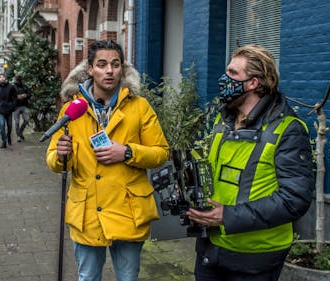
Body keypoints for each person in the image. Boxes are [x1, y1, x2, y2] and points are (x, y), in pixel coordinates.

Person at [186, 44, 315, 281]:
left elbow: (294, 199)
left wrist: (227, 216)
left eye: (233, 74)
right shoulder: (223, 120)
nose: (224, 79)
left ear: (253, 83)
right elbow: (215, 173)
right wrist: (189, 186)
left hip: (256, 257)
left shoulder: (288, 130)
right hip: (211, 246)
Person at [46, 40, 169, 281]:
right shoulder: (72, 110)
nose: (109, 70)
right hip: (87, 214)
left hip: (128, 212)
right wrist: (62, 155)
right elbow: (53, 161)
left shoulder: (140, 107)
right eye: (101, 64)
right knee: (88, 278)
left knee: (127, 278)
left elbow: (161, 152)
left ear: (122, 68)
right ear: (90, 69)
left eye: (115, 64)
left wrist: (127, 152)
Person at [0, 73, 17, 148]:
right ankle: (4, 141)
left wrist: (13, 105)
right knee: (2, 126)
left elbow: (15, 97)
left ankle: (8, 136)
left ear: (5, 78)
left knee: (9, 126)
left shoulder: (11, 87)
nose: (2, 78)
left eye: (3, 77)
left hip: (9, 110)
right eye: (1, 77)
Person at [13, 75, 31, 142]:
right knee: (17, 122)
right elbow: (10, 96)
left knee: (26, 120)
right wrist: (16, 97)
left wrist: (25, 95)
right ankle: (18, 136)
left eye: (19, 80)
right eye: (16, 80)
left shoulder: (25, 86)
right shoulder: (13, 87)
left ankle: (20, 132)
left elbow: (29, 94)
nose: (17, 81)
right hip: (16, 107)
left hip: (24, 105)